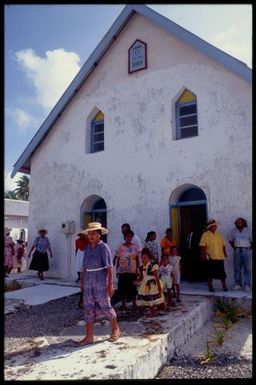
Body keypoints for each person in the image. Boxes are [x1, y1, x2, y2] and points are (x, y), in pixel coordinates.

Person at [74, 222, 121, 346]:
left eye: (93, 233)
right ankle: (89, 336)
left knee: (106, 305)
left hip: (100, 280)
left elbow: (110, 267)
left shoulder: (103, 247)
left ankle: (115, 329)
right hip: (88, 280)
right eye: (89, 234)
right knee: (88, 308)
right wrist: (82, 284)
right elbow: (84, 267)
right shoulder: (87, 248)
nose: (91, 236)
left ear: (99, 234)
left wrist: (110, 285)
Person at [199, 218, 228, 292]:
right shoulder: (205, 235)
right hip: (211, 256)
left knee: (222, 272)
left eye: (215, 225)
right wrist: (203, 255)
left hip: (220, 256)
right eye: (213, 225)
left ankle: (224, 285)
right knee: (210, 272)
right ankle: (210, 286)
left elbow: (223, 244)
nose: (215, 226)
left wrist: (224, 252)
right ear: (210, 227)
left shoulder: (219, 235)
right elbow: (202, 246)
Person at [115, 230, 140, 309]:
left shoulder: (135, 247)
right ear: (124, 237)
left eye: (130, 236)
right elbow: (118, 258)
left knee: (133, 287)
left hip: (132, 270)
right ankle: (123, 304)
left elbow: (137, 258)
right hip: (123, 271)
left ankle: (134, 303)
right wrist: (117, 269)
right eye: (127, 236)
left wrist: (137, 269)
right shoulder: (120, 247)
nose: (128, 238)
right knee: (122, 287)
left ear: (132, 237)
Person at [136, 247, 165, 317]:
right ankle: (141, 312)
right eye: (141, 258)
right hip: (144, 285)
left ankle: (154, 311)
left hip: (152, 285)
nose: (143, 260)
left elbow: (157, 277)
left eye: (144, 258)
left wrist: (159, 286)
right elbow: (141, 277)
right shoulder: (141, 267)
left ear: (149, 258)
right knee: (143, 298)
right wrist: (137, 281)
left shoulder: (153, 266)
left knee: (152, 300)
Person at [229, 217, 252, 292]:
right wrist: (235, 248)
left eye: (240, 222)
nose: (238, 224)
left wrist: (248, 248)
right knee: (237, 268)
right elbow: (230, 240)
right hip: (237, 251)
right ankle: (238, 284)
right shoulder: (233, 231)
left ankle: (247, 285)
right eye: (237, 223)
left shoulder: (248, 231)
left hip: (246, 250)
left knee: (247, 269)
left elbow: (252, 241)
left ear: (243, 223)